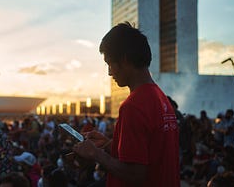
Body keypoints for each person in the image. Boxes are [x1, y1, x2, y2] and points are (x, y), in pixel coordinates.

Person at [73, 22, 180, 186]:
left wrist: (96, 154)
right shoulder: (160, 97)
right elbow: (151, 155)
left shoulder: (133, 106)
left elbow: (136, 174)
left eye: (109, 63)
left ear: (124, 60)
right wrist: (110, 145)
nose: (109, 72)